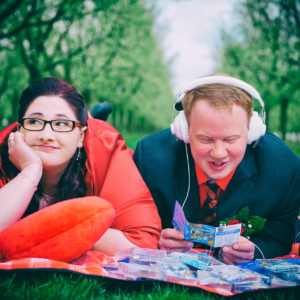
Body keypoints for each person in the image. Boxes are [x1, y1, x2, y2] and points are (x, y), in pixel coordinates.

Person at [133, 74, 300, 264]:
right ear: (184, 131)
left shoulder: (284, 170)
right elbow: (132, 226)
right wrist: (155, 241)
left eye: (230, 139)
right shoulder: (149, 159)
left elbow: (279, 238)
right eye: (205, 139)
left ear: (252, 130)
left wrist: (254, 251)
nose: (219, 153)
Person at [0, 77, 161, 255]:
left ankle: (91, 117)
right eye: (34, 121)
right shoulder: (4, 149)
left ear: (81, 137)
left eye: (61, 124)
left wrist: (52, 231)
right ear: (19, 129)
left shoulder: (106, 148)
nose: (46, 135)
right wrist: (31, 169)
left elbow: (144, 244)